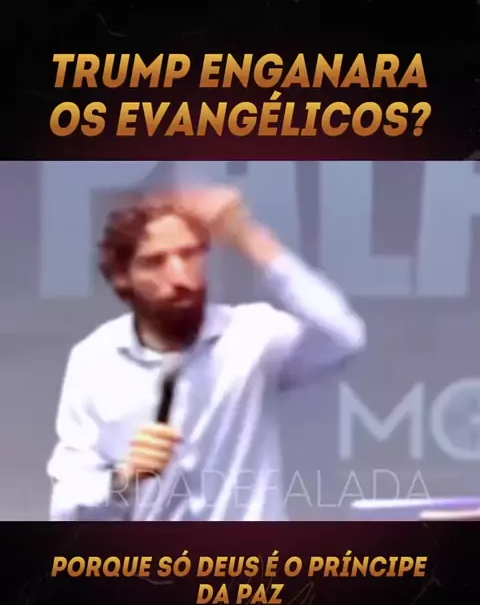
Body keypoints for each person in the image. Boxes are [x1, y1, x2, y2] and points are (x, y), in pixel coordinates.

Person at [48, 185, 366, 521]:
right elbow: (67, 510)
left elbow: (343, 336)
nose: (180, 277)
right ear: (122, 278)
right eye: (155, 262)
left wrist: (248, 237)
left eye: (190, 255)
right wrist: (123, 479)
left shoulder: (251, 335)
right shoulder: (95, 361)